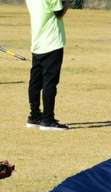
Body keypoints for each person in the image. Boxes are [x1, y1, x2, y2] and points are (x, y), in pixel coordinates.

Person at [25, 0, 69, 131]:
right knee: (50, 83)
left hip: (37, 43)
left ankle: (34, 116)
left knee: (35, 82)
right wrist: (68, 2)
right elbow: (59, 13)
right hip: (52, 43)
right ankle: (47, 120)